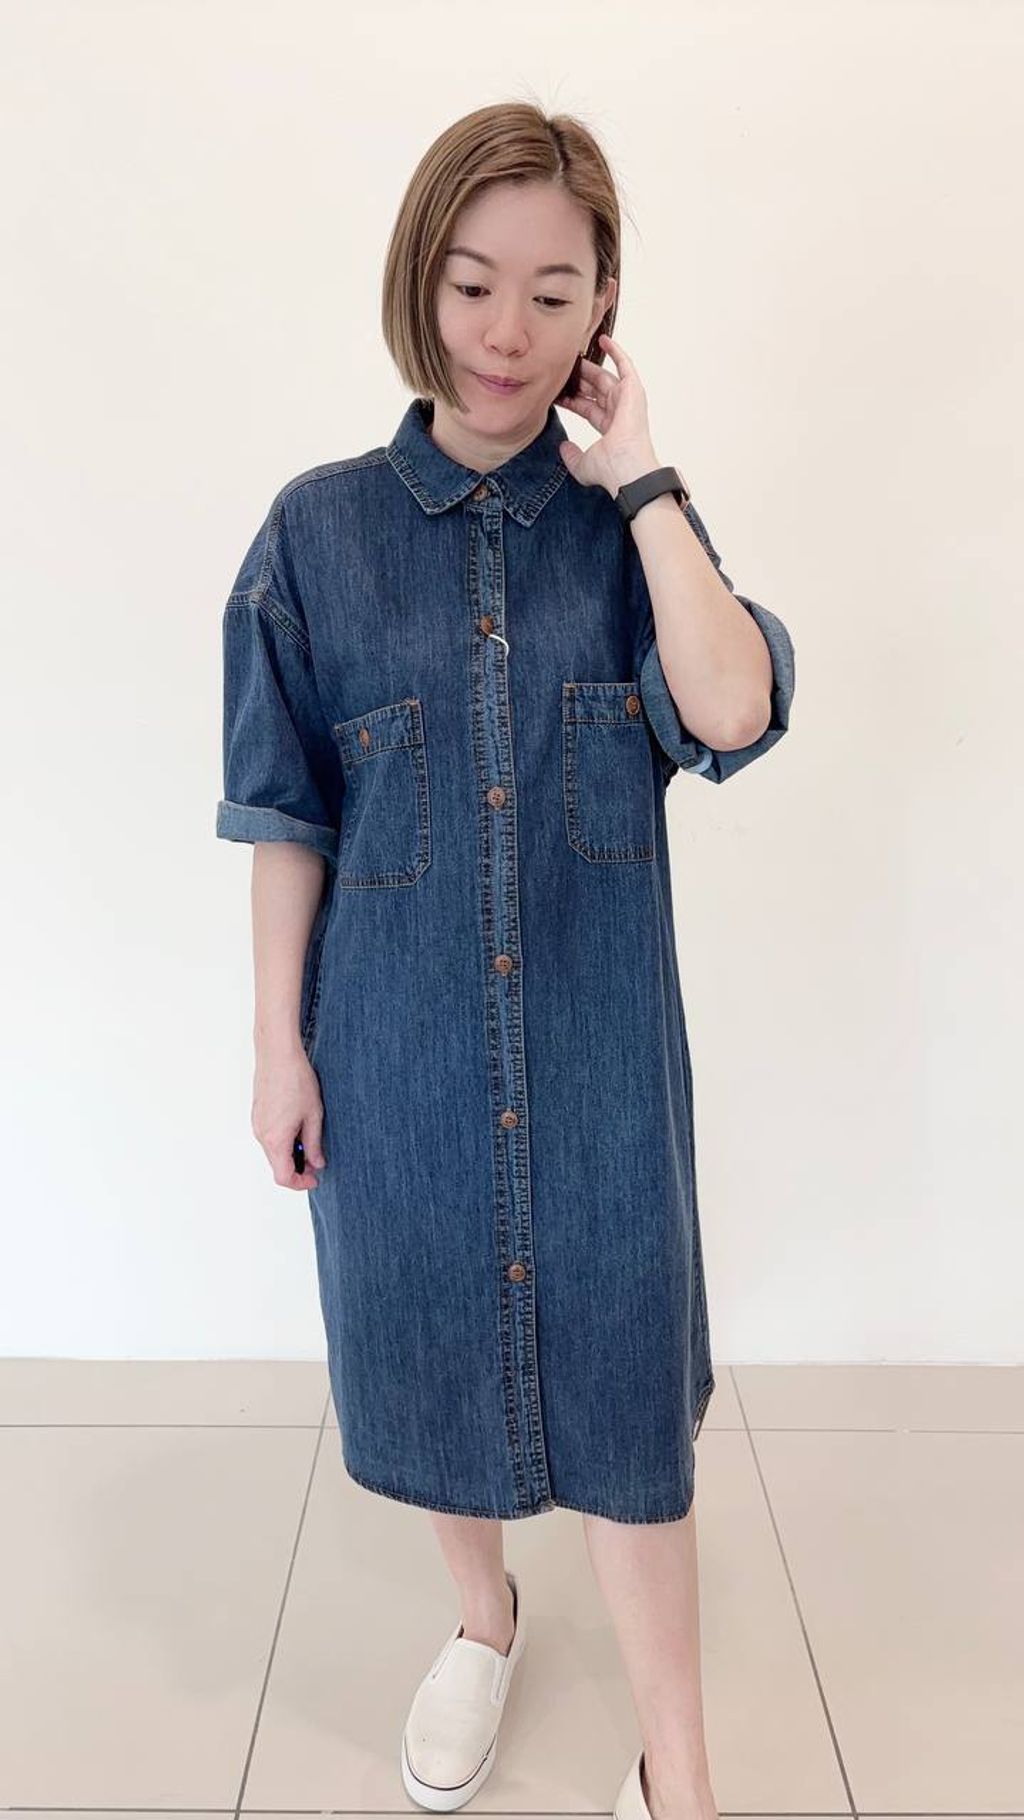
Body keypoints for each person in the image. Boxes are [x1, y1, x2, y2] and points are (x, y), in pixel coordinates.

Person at [216, 100, 795, 1820]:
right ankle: (484, 1622)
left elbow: (733, 707)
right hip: (390, 1053)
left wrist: (646, 478)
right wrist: (279, 1046)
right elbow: (285, 814)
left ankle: (680, 1769)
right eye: (475, 284)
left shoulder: (633, 534)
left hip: (602, 1070)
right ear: (422, 281)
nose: (508, 333)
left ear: (604, 307)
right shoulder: (314, 536)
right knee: (430, 1352)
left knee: (627, 1404)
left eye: (555, 292)